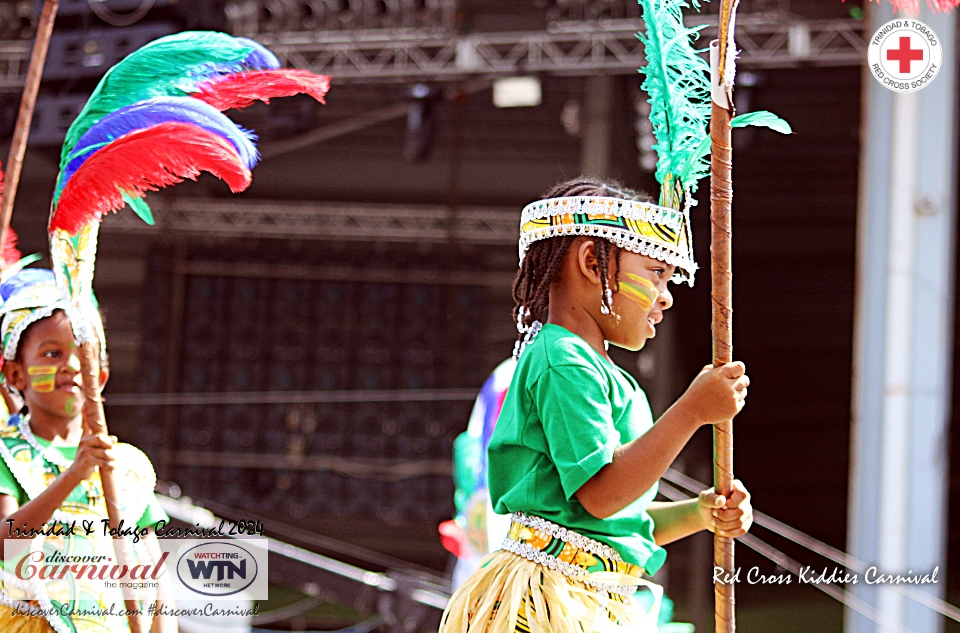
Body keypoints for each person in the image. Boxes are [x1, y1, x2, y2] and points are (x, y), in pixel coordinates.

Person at [439, 178, 753, 633]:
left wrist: (699, 513)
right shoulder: (564, 360)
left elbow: (603, 521)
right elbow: (603, 495)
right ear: (591, 262)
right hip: (547, 602)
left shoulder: (594, 369)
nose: (666, 295)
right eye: (654, 273)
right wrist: (692, 412)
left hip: (587, 596)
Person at [0, 269, 175, 633]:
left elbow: (151, 575)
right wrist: (74, 476)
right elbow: (7, 551)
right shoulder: (7, 454)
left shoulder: (127, 466)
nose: (72, 366)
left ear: (102, 375)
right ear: (17, 376)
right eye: (52, 353)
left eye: (84, 355)